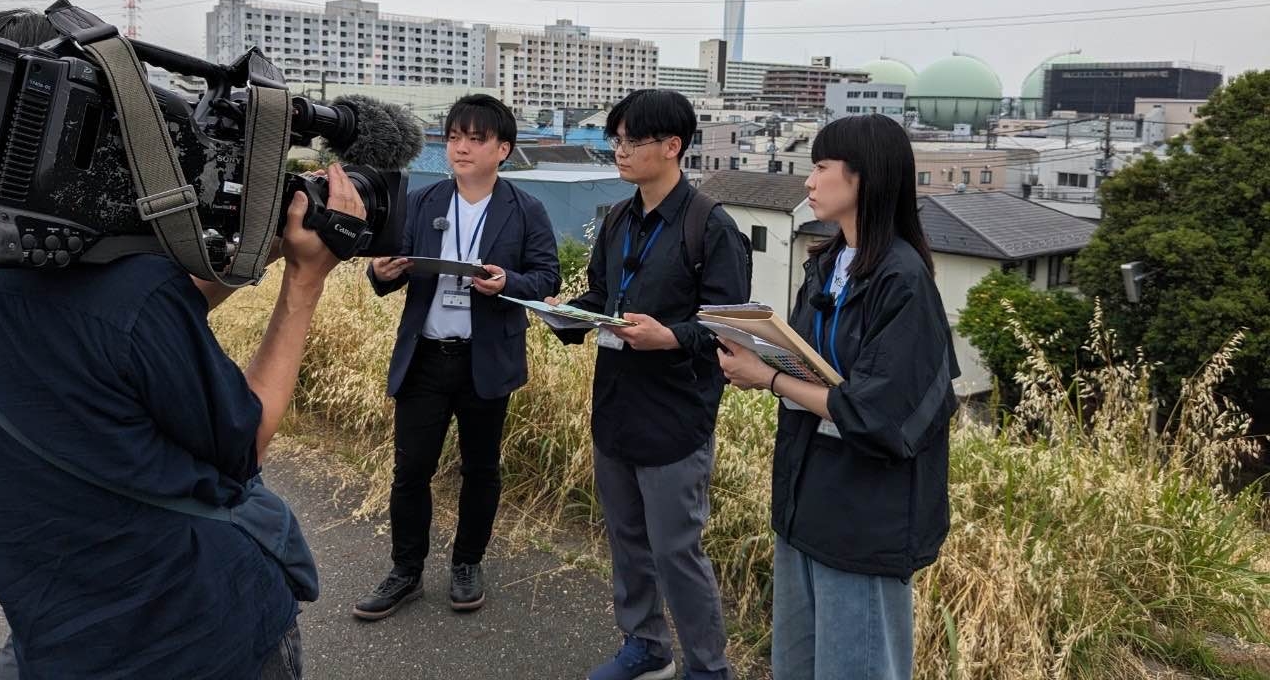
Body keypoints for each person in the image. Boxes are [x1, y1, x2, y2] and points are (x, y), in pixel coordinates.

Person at [0, 0, 366, 680]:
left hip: (55, 634)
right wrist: (305, 280)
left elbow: (120, 341)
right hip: (194, 632)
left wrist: (265, 250)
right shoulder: (128, 298)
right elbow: (242, 446)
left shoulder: (76, 291)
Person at [718, 114, 959, 680]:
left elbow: (878, 413)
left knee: (857, 664)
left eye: (821, 167)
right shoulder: (826, 264)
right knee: (797, 662)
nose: (809, 180)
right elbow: (812, 362)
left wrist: (769, 377)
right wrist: (756, 347)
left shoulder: (903, 281)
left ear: (863, 178)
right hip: (806, 496)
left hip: (864, 516)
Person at [550, 89, 750, 680]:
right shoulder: (617, 219)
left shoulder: (710, 228)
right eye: (617, 138)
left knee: (676, 551)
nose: (621, 150)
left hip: (674, 417)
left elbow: (730, 328)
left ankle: (708, 667)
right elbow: (600, 298)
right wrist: (561, 312)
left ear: (673, 146)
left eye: (634, 139)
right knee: (627, 540)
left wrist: (671, 337)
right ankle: (645, 644)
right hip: (615, 406)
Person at [353, 94, 559, 620]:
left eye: (475, 138)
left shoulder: (525, 209)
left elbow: (546, 279)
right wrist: (382, 272)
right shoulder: (422, 202)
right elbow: (382, 272)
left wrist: (507, 282)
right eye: (453, 137)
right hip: (425, 356)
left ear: (503, 150)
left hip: (485, 359)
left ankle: (467, 563)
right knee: (410, 471)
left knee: (481, 469)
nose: (461, 147)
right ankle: (406, 571)